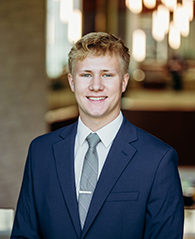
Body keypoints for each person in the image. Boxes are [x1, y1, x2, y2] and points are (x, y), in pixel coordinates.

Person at [11, 32, 184, 239]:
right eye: (86, 74)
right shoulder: (41, 152)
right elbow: (24, 235)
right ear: (72, 81)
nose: (95, 86)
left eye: (107, 75)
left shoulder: (158, 160)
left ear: (124, 82)